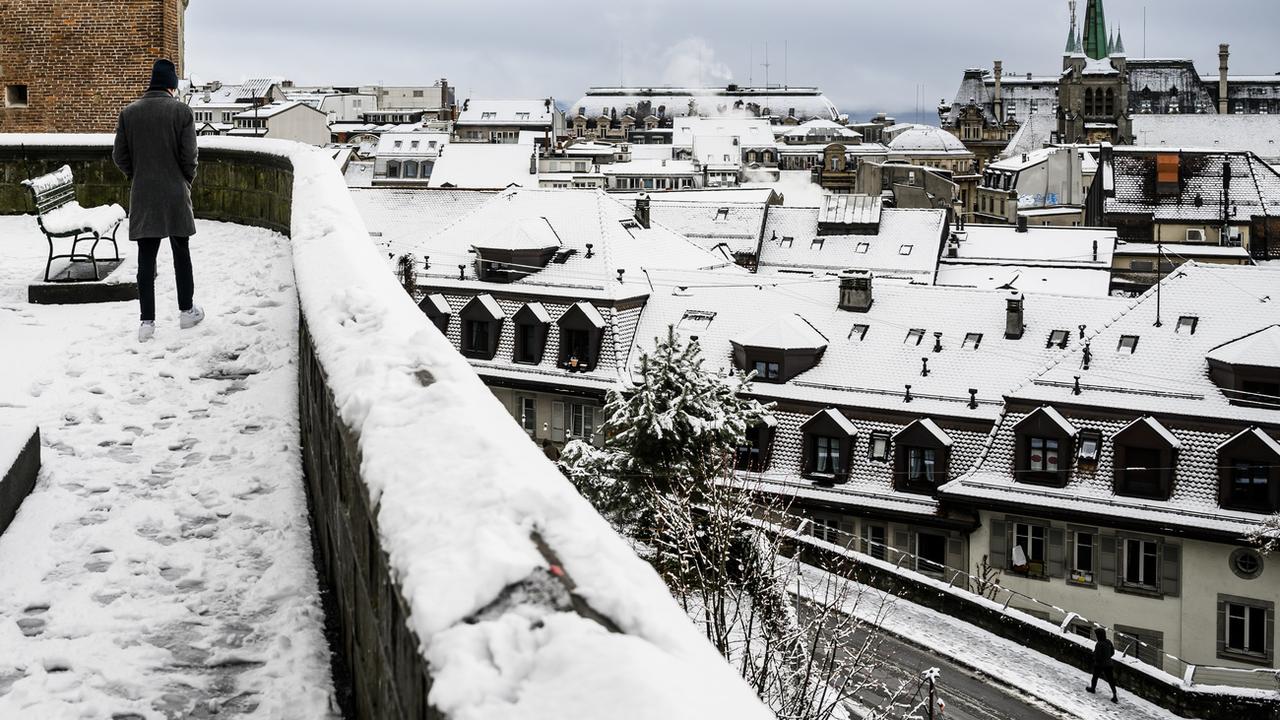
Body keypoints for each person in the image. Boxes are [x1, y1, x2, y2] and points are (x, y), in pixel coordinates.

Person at [112, 58, 204, 343]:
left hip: (144, 194)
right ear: (172, 86)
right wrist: (184, 180)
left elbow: (120, 157)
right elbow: (190, 157)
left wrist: (137, 175)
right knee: (181, 253)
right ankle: (186, 311)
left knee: (145, 259)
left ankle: (147, 322)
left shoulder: (129, 113)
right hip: (175, 192)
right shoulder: (181, 112)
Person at [1086, 627, 1119, 703]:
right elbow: (1112, 652)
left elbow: (1098, 656)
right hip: (1109, 664)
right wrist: (1107, 657)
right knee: (1111, 680)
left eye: (1097, 634)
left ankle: (1093, 688)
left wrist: (1095, 659)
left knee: (1095, 677)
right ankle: (1114, 695)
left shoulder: (1099, 644)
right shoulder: (1108, 642)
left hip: (1100, 664)